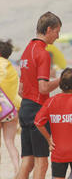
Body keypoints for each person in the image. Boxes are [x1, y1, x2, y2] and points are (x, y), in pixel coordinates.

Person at [17, 11, 61, 179]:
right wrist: (60, 79)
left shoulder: (26, 50)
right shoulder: (42, 52)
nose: (58, 36)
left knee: (27, 161)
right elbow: (43, 88)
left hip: (25, 109)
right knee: (42, 163)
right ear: (49, 29)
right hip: (38, 110)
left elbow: (21, 89)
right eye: (57, 31)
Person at [34, 68, 72, 179]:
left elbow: (38, 122)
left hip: (58, 151)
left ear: (60, 84)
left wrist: (49, 139)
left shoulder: (50, 101)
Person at [0, 40, 21, 177]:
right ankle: (18, 170)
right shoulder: (13, 69)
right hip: (11, 110)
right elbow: (16, 93)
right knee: (10, 142)